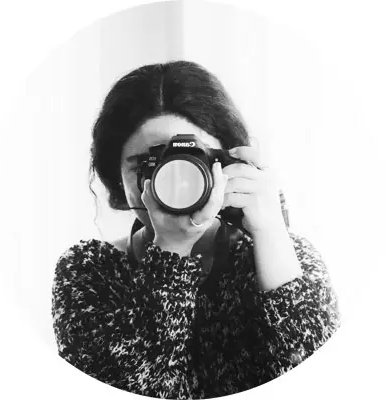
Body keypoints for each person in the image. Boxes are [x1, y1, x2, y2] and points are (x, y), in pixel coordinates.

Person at [51, 61, 340, 399]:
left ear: (231, 162)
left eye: (194, 160)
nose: (174, 180)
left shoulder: (289, 257)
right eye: (147, 165)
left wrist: (272, 234)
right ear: (116, 180)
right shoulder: (89, 270)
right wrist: (171, 249)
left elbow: (324, 383)